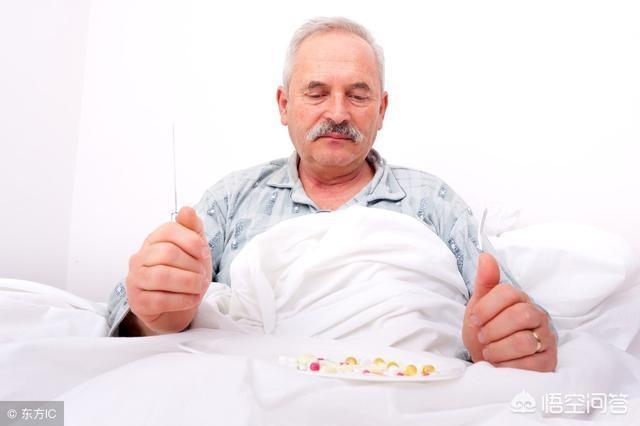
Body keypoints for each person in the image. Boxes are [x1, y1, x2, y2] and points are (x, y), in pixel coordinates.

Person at [107, 17, 557, 372]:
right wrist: (155, 315)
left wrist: (507, 341)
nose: (338, 113)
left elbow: (517, 315)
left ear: (381, 110)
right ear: (285, 105)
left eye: (358, 96)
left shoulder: (432, 201)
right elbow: (133, 304)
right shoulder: (233, 199)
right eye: (317, 93)